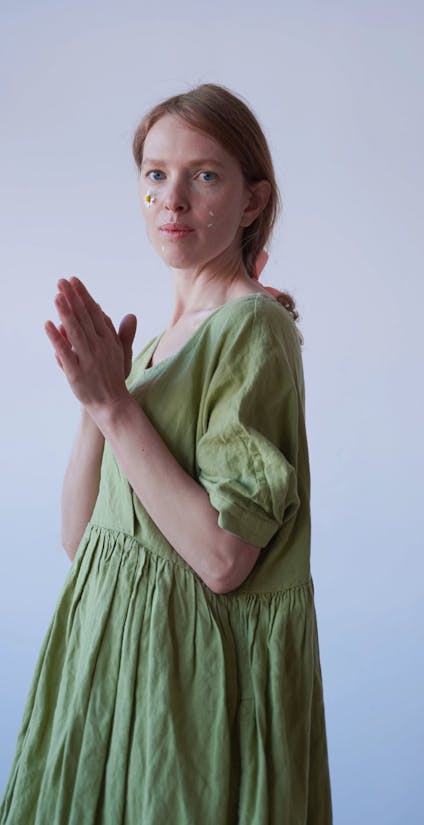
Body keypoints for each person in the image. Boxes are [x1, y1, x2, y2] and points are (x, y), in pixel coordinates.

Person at [0, 83, 333, 824]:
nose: (172, 197)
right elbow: (83, 540)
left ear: (251, 201)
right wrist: (100, 402)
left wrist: (117, 408)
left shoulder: (252, 328)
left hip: (190, 698)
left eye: (204, 174)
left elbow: (222, 558)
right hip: (116, 676)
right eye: (155, 173)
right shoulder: (155, 347)